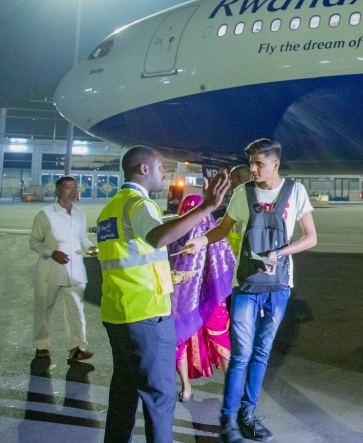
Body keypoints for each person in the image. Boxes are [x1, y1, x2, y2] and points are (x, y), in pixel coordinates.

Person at [97, 146, 229, 443]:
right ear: (144, 169)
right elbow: (156, 237)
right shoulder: (138, 204)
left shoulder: (110, 208)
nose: (164, 173)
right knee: (160, 397)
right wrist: (205, 208)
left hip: (118, 313)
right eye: (160, 168)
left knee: (124, 392)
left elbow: (129, 257)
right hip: (146, 314)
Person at [203, 139, 317, 443]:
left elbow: (311, 237)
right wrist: (200, 240)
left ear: (275, 164)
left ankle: (248, 414)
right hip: (246, 285)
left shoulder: (296, 192)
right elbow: (223, 229)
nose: (252, 169)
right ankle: (227, 420)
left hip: (279, 285)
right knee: (241, 354)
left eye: (259, 164)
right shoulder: (243, 193)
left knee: (262, 352)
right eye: (251, 163)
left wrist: (279, 254)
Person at [170, 193, 236, 403]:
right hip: (207, 298)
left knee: (182, 339)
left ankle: (187, 388)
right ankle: (230, 388)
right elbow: (228, 263)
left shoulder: (181, 233)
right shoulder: (211, 233)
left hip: (189, 298)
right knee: (215, 337)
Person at [30, 176, 97, 362]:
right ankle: (41, 346)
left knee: (77, 310)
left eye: (75, 188)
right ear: (58, 191)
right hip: (49, 271)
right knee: (43, 310)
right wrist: (51, 253)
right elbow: (34, 242)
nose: (73, 191)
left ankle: (77, 348)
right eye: (68, 188)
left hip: (75, 271)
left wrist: (90, 248)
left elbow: (82, 238)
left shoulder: (79, 213)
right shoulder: (45, 214)